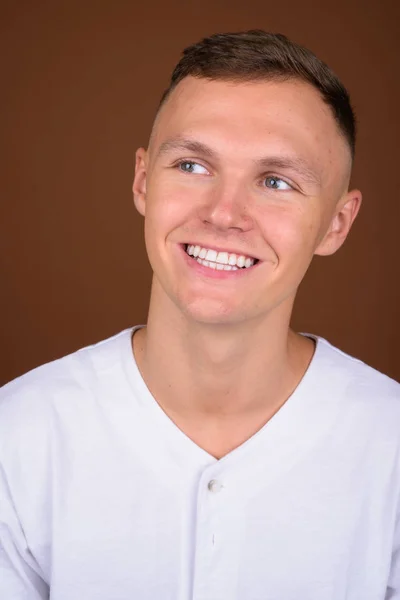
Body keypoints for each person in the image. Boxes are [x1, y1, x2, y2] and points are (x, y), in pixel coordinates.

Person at [0, 29, 399, 600]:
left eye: (275, 181)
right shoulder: (16, 439)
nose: (224, 213)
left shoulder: (391, 451)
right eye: (191, 166)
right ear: (143, 180)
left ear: (337, 223)